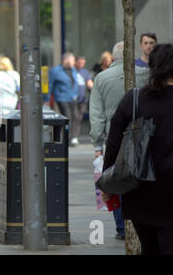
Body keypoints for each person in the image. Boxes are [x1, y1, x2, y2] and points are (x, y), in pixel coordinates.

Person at [101, 43, 173, 254]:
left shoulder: (134, 99)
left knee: (149, 247)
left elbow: (113, 142)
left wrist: (107, 184)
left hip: (141, 189)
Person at [89, 41, 149, 241]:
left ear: (113, 58)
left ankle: (122, 227)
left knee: (116, 177)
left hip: (114, 137)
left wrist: (97, 145)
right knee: (141, 177)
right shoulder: (145, 74)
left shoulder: (101, 78)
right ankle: (139, 223)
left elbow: (96, 115)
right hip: (143, 136)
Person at [44, 52, 78, 146]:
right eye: (72, 60)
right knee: (67, 116)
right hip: (61, 97)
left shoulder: (74, 70)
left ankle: (73, 136)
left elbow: (75, 83)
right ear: (66, 60)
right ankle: (67, 138)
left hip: (72, 97)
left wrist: (76, 94)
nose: (74, 62)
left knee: (75, 116)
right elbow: (50, 84)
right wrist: (47, 99)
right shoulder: (55, 71)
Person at [71, 56, 93, 146]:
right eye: (80, 63)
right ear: (75, 62)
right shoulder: (72, 71)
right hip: (73, 98)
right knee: (74, 117)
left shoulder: (85, 72)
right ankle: (73, 136)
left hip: (82, 99)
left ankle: (75, 136)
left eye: (83, 63)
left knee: (79, 118)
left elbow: (89, 83)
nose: (81, 65)